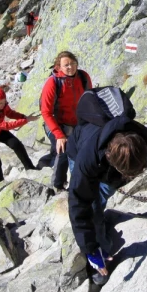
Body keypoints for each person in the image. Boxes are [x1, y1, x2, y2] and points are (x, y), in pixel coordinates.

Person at [67, 87, 147, 285]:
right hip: (78, 149)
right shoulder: (87, 159)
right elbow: (79, 202)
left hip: (109, 163)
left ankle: (103, 220)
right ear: (110, 159)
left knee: (103, 194)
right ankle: (99, 257)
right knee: (92, 206)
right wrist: (90, 249)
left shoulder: (145, 139)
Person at [38, 51, 92, 191]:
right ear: (58, 66)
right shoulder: (53, 82)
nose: (70, 67)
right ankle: (58, 185)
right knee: (63, 150)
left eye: (73, 63)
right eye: (66, 65)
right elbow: (46, 112)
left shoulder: (83, 77)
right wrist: (59, 135)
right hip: (56, 124)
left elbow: (90, 99)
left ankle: (82, 180)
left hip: (77, 123)